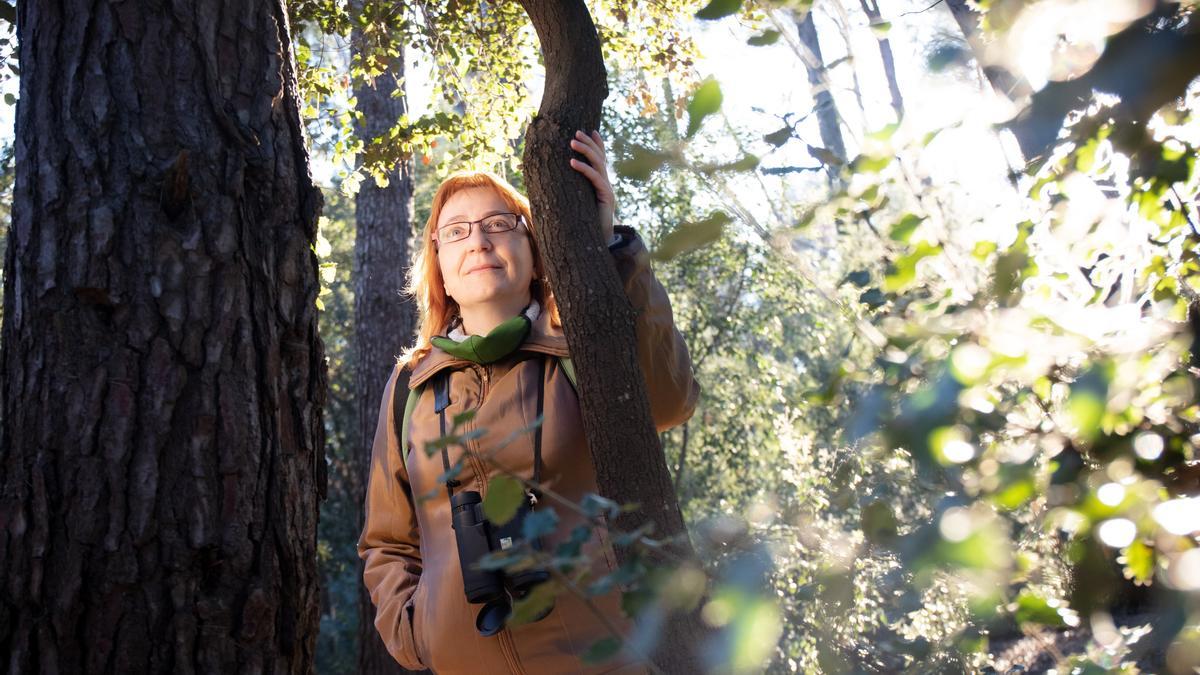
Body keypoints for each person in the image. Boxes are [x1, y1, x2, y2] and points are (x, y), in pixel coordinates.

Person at [358, 130, 700, 674]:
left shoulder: (580, 350)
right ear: (439, 264)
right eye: (457, 232)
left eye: (499, 225)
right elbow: (386, 540)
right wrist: (416, 630)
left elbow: (668, 401)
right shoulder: (412, 386)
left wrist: (607, 252)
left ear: (535, 251)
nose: (479, 242)